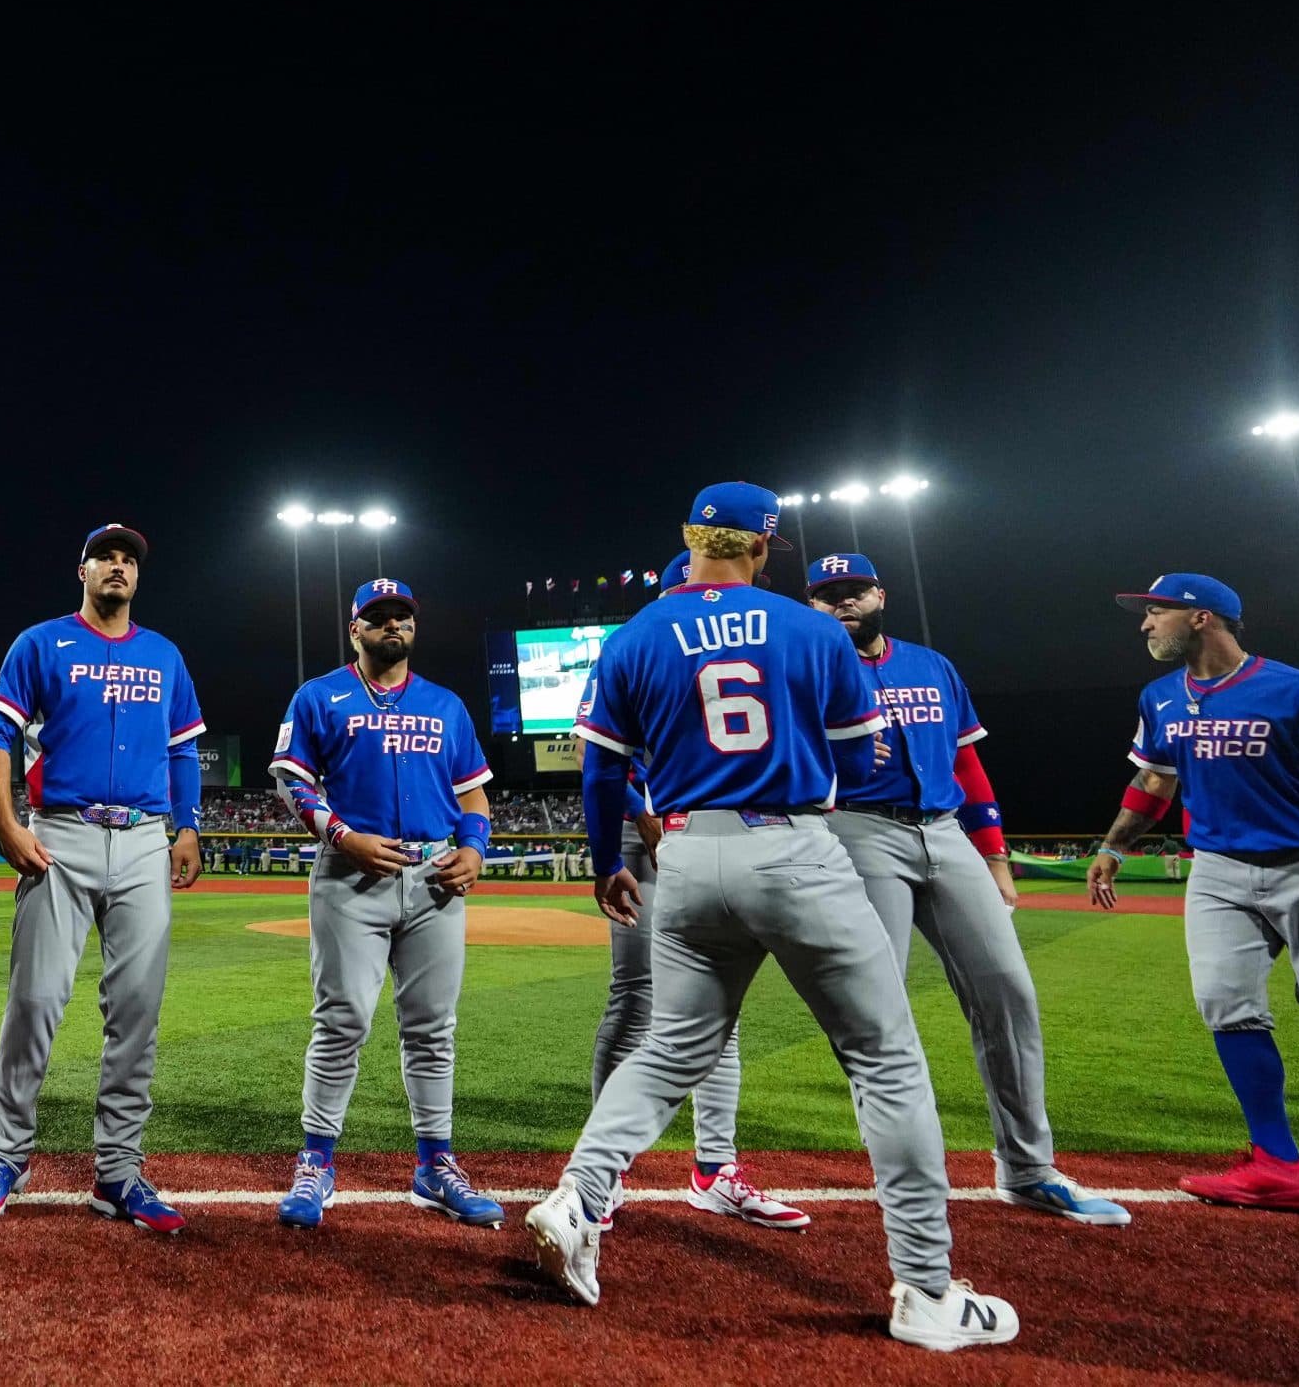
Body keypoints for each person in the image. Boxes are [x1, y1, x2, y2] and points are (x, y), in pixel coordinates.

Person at [524, 483, 1017, 1353]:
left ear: (689, 539)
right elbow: (860, 755)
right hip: (791, 845)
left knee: (671, 1047)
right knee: (885, 1059)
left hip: (684, 855)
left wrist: (606, 862)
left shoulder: (633, 636)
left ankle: (578, 1197)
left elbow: (600, 772)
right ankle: (927, 1290)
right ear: (762, 546)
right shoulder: (812, 629)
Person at [806, 552, 1128, 1225]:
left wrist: (995, 856)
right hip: (857, 831)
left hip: (947, 832)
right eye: (827, 594)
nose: (842, 602)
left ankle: (1028, 1168)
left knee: (1008, 991)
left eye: (855, 590)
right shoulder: (804, 669)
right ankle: (900, 1169)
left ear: (881, 595)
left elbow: (967, 762)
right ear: (811, 606)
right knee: (877, 1008)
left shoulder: (931, 665)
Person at [1091, 573, 1299, 1221]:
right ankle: (1278, 1163)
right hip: (1217, 869)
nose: (1145, 624)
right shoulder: (1160, 697)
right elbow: (1155, 781)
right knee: (1226, 1004)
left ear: (1202, 618)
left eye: (1157, 612)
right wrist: (1114, 847)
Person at [0, 524, 205, 1232]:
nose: (118, 567)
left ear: (138, 576)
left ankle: (118, 1170)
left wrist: (187, 827)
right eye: (106, 557)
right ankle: (7, 1155)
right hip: (61, 835)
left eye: (129, 560)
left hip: (142, 840)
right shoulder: (41, 643)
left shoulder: (164, 654)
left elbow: (184, 750)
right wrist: (7, 825)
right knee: (35, 1000)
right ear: (83, 571)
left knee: (136, 1011)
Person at [267, 578, 503, 1230]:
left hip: (434, 878)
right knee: (342, 1021)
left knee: (432, 1028)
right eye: (378, 617)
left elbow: (473, 793)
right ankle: (315, 1161)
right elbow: (293, 784)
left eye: (402, 616)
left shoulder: (445, 705)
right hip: (350, 873)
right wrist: (343, 836)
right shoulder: (320, 696)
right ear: (356, 630)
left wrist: (475, 848)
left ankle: (436, 1165)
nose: (392, 625)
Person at [586, 552, 802, 1231]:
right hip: (641, 836)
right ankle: (604, 1170)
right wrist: (642, 819)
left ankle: (714, 1169)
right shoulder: (638, 644)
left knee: (720, 1007)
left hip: (714, 831)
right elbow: (602, 756)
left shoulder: (744, 645)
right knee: (636, 996)